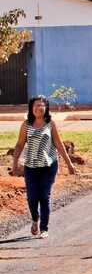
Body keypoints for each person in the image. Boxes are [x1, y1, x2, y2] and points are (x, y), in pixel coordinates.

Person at [11, 95, 77, 239]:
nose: (38, 108)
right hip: (31, 166)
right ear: (31, 108)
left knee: (44, 196)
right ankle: (35, 219)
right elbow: (20, 144)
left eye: (41, 105)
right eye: (35, 105)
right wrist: (15, 164)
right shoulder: (26, 125)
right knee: (32, 197)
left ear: (46, 108)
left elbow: (59, 145)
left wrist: (69, 164)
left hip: (49, 166)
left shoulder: (50, 124)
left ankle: (44, 228)